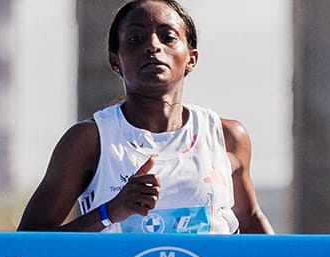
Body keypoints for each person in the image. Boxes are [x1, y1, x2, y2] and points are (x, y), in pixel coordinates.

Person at [18, 0, 274, 234]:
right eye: (135, 39)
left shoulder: (227, 137)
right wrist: (112, 211)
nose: (153, 46)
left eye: (168, 37)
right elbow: (28, 244)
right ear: (115, 60)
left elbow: (250, 220)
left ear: (191, 59)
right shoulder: (89, 140)